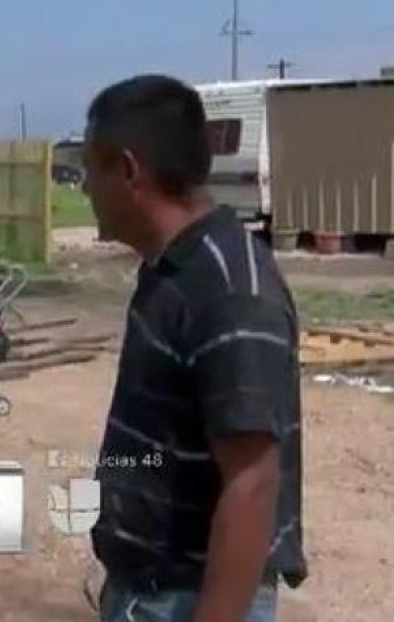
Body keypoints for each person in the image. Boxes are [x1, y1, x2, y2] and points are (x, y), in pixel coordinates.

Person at [80, 75, 306, 621]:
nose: (84, 187)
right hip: (149, 593)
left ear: (130, 171)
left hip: (188, 601)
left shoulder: (228, 291)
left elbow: (252, 483)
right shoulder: (174, 269)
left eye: (91, 170)